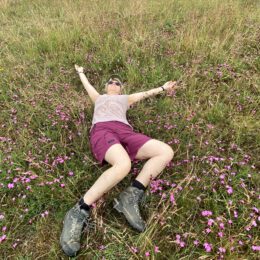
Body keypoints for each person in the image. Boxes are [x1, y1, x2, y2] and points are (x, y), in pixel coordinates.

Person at [60, 64, 176, 257]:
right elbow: (87, 86)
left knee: (165, 151)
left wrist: (163, 88)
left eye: (117, 83)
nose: (113, 84)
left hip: (125, 131)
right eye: (110, 82)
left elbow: (145, 93)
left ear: (121, 88)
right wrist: (80, 73)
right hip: (103, 130)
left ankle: (130, 196)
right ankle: (78, 210)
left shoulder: (125, 99)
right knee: (123, 165)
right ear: (106, 87)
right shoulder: (99, 98)